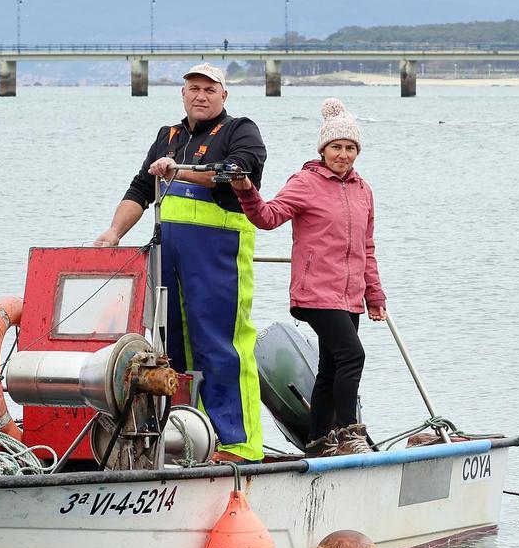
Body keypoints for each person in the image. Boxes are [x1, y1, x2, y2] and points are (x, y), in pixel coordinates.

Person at [94, 63, 267, 463]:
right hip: (169, 253)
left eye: (210, 89)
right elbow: (142, 187)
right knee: (169, 347)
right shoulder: (167, 137)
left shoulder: (240, 130)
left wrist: (181, 170)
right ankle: (185, 438)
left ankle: (236, 444)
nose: (201, 95)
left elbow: (237, 172)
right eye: (193, 88)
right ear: (183, 94)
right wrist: (114, 232)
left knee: (221, 346)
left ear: (224, 95)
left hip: (219, 251)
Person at [229, 98, 386, 453]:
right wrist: (246, 191)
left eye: (349, 148)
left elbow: (367, 247)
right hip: (315, 292)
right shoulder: (304, 183)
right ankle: (349, 435)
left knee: (331, 367)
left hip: (350, 296)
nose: (343, 154)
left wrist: (374, 296)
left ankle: (318, 441)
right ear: (323, 149)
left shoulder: (363, 190)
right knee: (352, 356)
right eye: (336, 147)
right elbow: (267, 217)